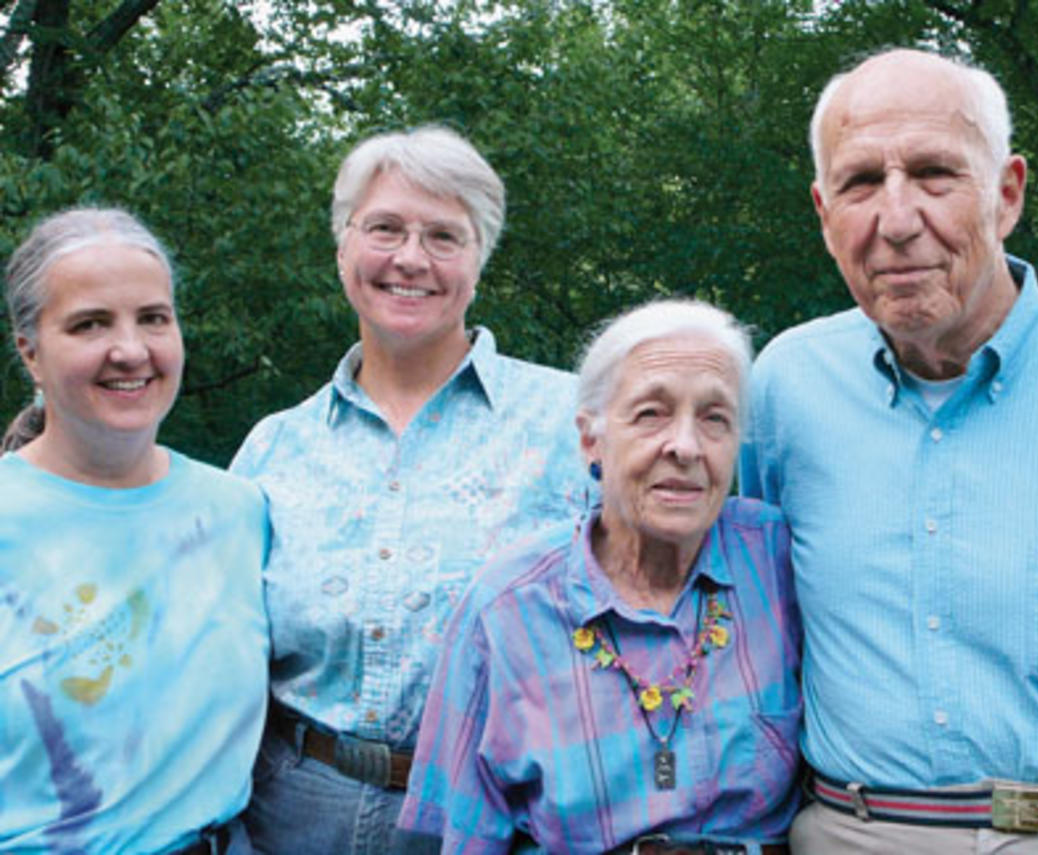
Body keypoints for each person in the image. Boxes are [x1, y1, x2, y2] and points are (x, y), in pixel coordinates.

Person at [740, 47, 1038, 854]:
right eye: (860, 183)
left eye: (934, 174)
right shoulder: (784, 385)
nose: (895, 220)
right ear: (824, 213)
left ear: (1007, 193)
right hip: (849, 833)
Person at [229, 124, 587, 852]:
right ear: (342, 247)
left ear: (479, 258)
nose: (410, 259)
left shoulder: (573, 426)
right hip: (293, 810)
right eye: (385, 228)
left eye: (444, 237)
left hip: (499, 812)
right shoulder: (274, 448)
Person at [399, 299, 802, 854]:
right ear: (592, 439)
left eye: (715, 418)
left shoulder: (779, 562)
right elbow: (459, 835)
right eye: (651, 414)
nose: (685, 446)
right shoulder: (508, 608)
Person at [0, 208, 270, 853]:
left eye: (153, 318)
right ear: (30, 352)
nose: (131, 350)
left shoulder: (239, 512)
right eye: (90, 323)